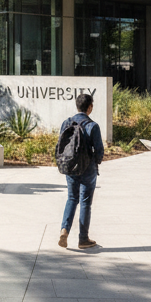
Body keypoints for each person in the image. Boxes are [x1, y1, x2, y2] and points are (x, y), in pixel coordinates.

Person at [57, 93, 104, 250]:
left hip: (70, 166)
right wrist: (96, 162)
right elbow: (99, 151)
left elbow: (61, 144)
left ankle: (64, 230)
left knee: (71, 198)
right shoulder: (93, 126)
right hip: (87, 168)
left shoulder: (66, 123)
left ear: (77, 106)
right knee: (85, 202)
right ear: (90, 107)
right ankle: (83, 239)